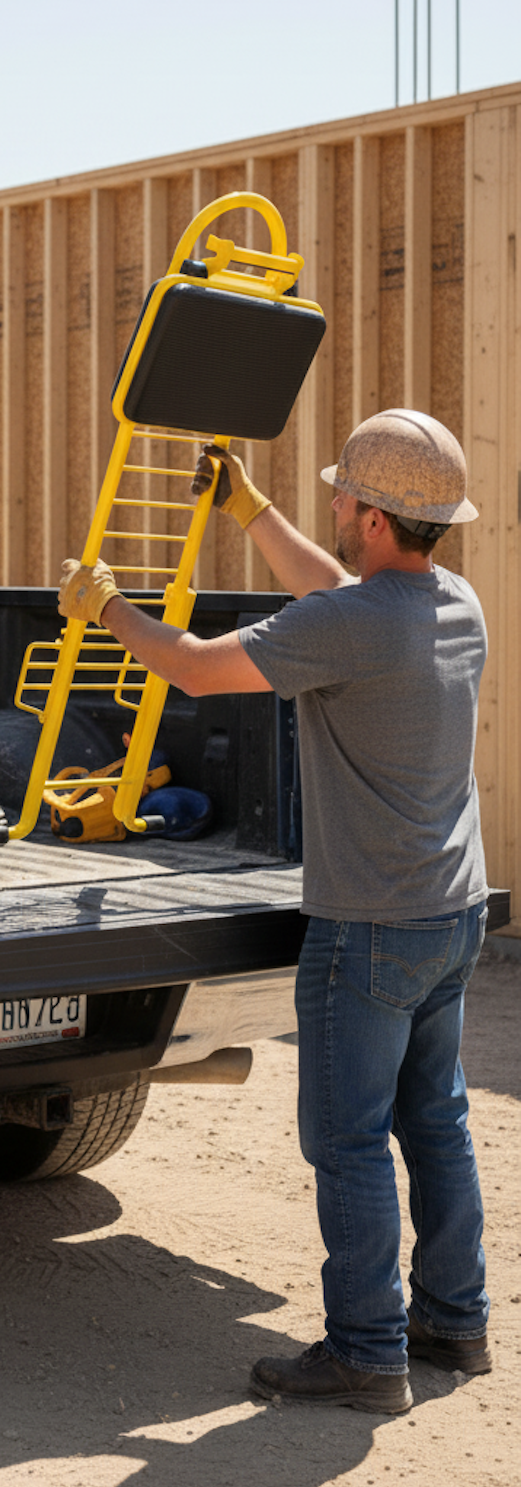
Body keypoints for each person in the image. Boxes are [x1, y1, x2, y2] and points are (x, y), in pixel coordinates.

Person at [58, 408, 492, 1414]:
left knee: (345, 1140)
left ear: (377, 518)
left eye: (342, 494)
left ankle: (366, 1353)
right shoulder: (452, 602)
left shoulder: (347, 626)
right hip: (449, 914)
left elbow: (201, 670)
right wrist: (249, 514)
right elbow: (336, 594)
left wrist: (111, 608)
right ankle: (452, 1325)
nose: (331, 502)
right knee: (435, 1122)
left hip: (368, 928)